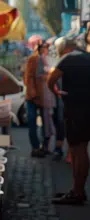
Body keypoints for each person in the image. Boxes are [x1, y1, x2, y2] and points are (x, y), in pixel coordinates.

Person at [47, 37, 90, 204]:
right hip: (88, 108)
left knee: (75, 150)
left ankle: (77, 192)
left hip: (74, 109)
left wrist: (55, 91)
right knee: (83, 149)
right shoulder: (88, 57)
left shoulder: (67, 59)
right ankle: (77, 189)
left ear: (64, 49)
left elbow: (51, 79)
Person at [24, 36, 49, 158]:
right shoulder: (32, 59)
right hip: (33, 97)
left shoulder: (46, 59)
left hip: (44, 96)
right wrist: (33, 94)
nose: (46, 49)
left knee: (46, 123)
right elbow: (28, 78)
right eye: (45, 47)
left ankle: (44, 146)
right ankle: (35, 147)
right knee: (32, 121)